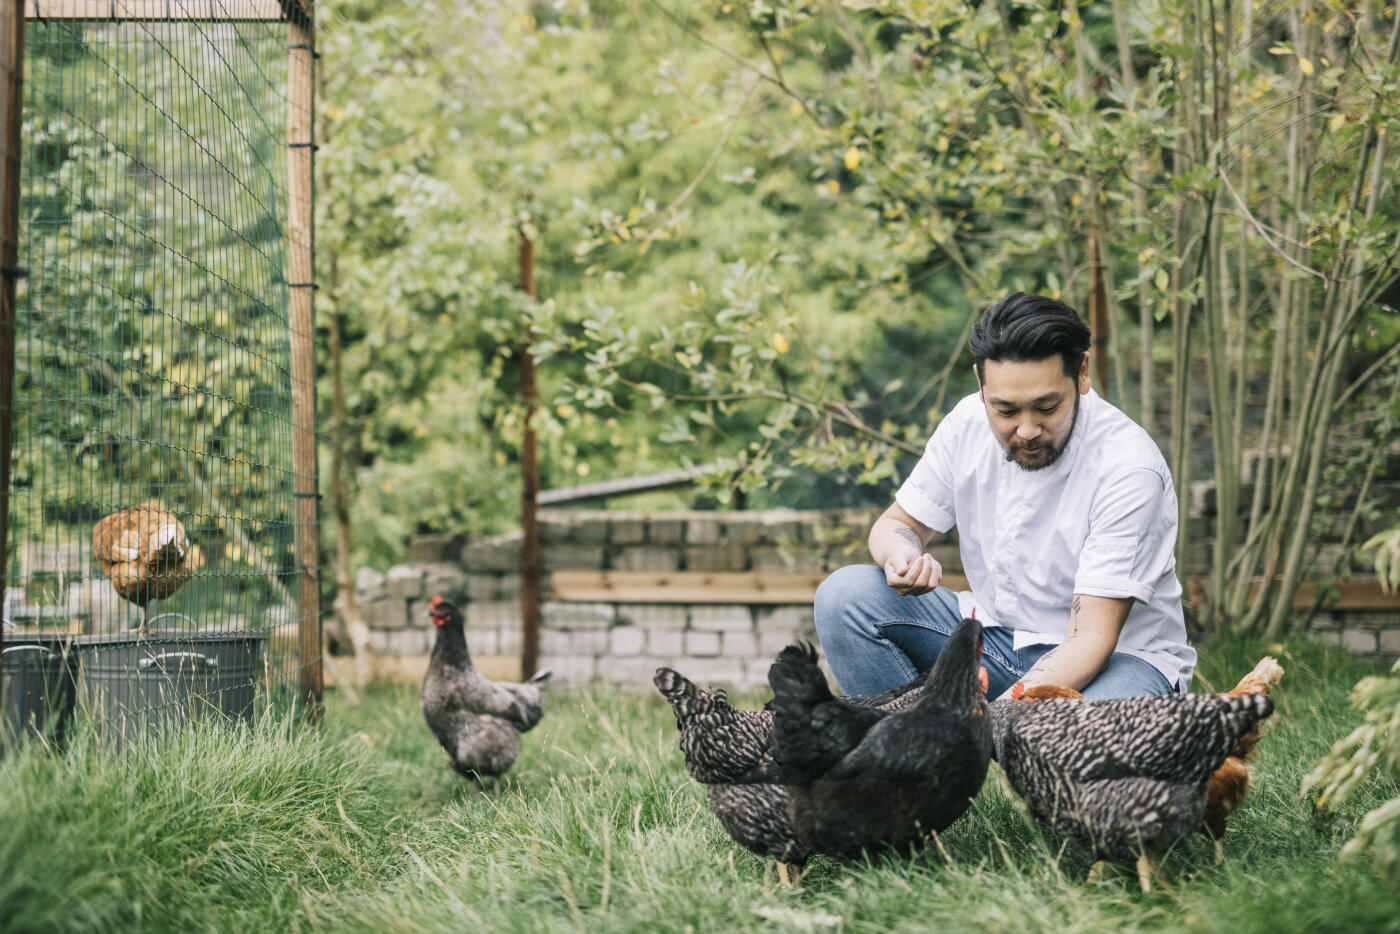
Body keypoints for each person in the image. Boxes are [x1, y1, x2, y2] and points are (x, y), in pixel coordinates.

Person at [814, 292, 1196, 700]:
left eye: (1047, 407)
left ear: (1082, 373)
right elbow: (897, 524)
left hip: (1116, 661)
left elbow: (1092, 639)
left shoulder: (1129, 467)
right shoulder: (965, 423)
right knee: (845, 598)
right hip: (996, 643)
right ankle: (915, 759)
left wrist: (994, 721)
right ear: (980, 382)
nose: (1027, 429)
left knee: (1078, 745)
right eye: (1007, 411)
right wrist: (900, 555)